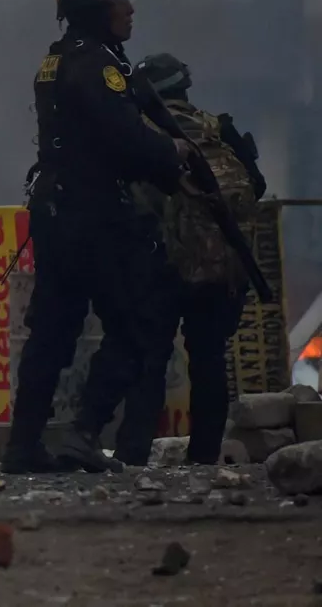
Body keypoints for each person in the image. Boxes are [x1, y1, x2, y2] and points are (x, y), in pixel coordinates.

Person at [2, 0, 188, 475]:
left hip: (60, 214)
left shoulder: (57, 59)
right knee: (135, 326)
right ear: (92, 7)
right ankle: (85, 433)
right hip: (95, 214)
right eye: (119, 0)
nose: (129, 10)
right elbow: (126, 140)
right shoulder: (98, 66)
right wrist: (173, 154)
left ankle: (23, 446)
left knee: (54, 332)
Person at [114, 53, 266, 466]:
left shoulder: (143, 134)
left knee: (149, 359)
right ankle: (203, 457)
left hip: (162, 263)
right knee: (209, 359)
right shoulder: (218, 128)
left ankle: (131, 456)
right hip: (221, 266)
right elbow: (257, 185)